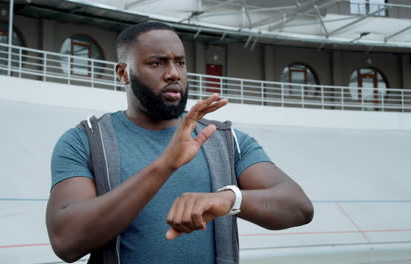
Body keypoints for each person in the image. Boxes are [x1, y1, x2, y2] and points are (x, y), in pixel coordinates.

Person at [46, 22, 313, 264]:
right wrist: (165, 165)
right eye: (157, 63)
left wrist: (228, 199)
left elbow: (299, 206)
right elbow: (66, 242)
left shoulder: (225, 139)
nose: (174, 73)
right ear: (123, 73)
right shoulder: (84, 140)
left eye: (181, 63)